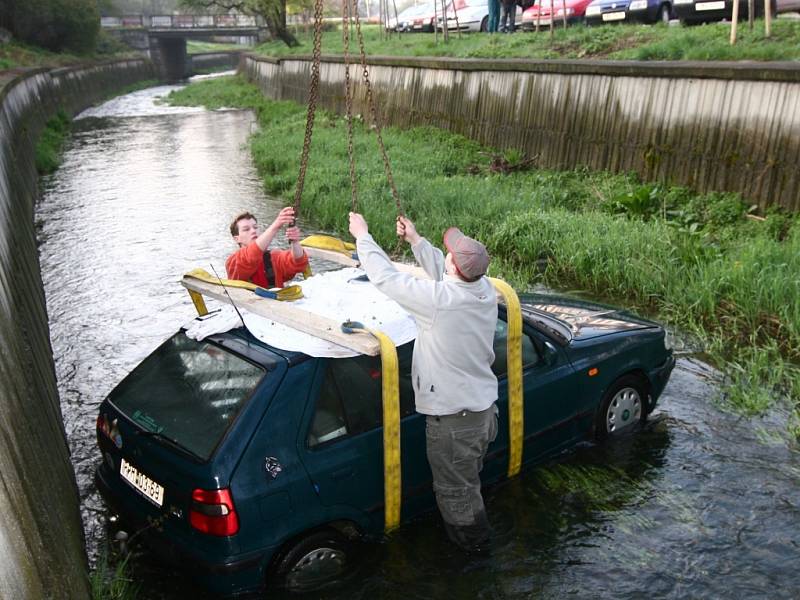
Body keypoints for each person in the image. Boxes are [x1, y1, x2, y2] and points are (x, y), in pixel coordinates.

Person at [348, 212, 499, 551]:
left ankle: (474, 555)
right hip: (484, 413)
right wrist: (416, 241)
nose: (446, 253)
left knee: (456, 493)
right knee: (467, 481)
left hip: (454, 422)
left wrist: (363, 236)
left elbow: (386, 278)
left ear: (454, 268)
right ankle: (474, 540)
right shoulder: (484, 289)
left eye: (449, 252)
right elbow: (445, 275)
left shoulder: (440, 303)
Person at [226, 207, 309, 288]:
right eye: (246, 229)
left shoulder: (274, 257)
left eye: (255, 227)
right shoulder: (233, 262)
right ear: (237, 239)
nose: (253, 231)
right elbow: (251, 255)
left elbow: (299, 263)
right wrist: (276, 224)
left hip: (274, 301)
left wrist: (295, 242)